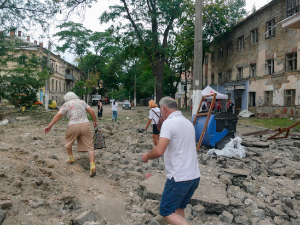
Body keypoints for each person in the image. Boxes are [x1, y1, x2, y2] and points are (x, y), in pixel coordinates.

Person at [142, 97, 200, 225]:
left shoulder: (169, 123)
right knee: (179, 207)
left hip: (179, 178)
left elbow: (159, 151)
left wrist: (147, 156)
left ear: (164, 108)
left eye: (162, 112)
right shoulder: (187, 123)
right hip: (194, 176)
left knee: (166, 211)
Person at [44, 92, 98, 177]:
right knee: (90, 147)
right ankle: (92, 166)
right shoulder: (82, 102)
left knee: (68, 142)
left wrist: (49, 126)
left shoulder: (66, 104)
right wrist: (95, 121)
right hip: (85, 124)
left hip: (73, 125)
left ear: (66, 98)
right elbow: (91, 111)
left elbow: (58, 116)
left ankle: (70, 158)